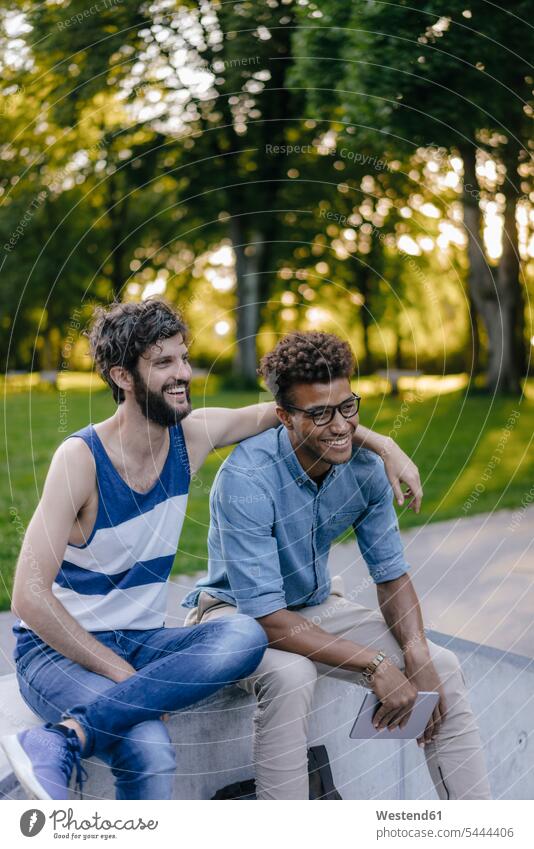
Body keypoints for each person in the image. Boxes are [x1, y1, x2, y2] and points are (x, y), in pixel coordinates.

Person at [1, 302, 418, 801]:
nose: (183, 374)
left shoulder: (190, 437)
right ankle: (65, 739)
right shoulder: (81, 459)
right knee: (149, 747)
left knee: (243, 635)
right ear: (122, 376)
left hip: (140, 639)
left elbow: (298, 413)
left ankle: (65, 736)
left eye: (183, 358)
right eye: (163, 363)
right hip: (56, 651)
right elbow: (28, 597)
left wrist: (385, 444)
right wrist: (127, 678)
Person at [184, 331, 491, 801]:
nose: (341, 425)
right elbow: (265, 617)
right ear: (284, 418)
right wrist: (375, 664)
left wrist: (415, 652)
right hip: (234, 614)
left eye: (348, 407)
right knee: (290, 677)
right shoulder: (245, 478)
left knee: (442, 666)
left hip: (313, 605)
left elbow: (390, 575)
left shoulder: (366, 468)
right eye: (320, 413)